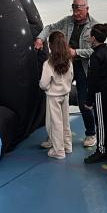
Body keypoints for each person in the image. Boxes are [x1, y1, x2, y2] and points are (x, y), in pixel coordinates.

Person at [35, 0, 98, 148]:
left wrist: (76, 52)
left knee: (84, 102)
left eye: (79, 10)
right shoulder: (67, 21)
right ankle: (54, 137)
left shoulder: (95, 26)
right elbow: (50, 28)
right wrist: (40, 39)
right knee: (58, 102)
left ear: (87, 9)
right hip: (65, 65)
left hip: (82, 68)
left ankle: (91, 133)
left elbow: (96, 50)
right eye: (74, 9)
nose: (75, 14)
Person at [84, 23, 107, 164]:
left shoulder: (95, 56)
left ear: (93, 38)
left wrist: (89, 100)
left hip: (100, 92)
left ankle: (102, 150)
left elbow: (93, 80)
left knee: (101, 122)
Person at [39, 31, 74, 159]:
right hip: (65, 94)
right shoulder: (68, 60)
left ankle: (58, 150)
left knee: (55, 123)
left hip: (53, 96)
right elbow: (71, 77)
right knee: (65, 121)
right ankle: (67, 146)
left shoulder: (49, 63)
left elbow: (44, 84)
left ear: (51, 45)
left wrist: (48, 88)